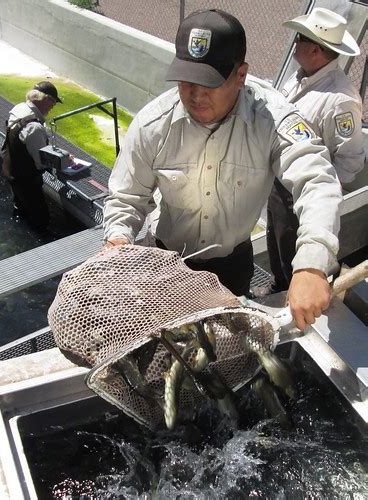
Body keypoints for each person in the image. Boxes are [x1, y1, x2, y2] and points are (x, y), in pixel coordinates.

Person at [102, 9, 343, 331]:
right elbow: (127, 198)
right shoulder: (152, 125)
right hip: (163, 259)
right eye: (187, 81)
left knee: (224, 348)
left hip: (230, 267)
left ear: (241, 75)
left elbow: (317, 181)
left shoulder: (274, 121)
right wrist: (118, 240)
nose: (196, 94)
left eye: (210, 83)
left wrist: (312, 264)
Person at [266, 7, 365, 293]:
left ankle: (293, 298)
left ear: (316, 50)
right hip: (280, 181)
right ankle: (279, 287)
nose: (294, 42)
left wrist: (317, 193)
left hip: (304, 192)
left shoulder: (340, 100)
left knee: (299, 254)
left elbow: (350, 159)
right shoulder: (298, 78)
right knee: (277, 242)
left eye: (300, 38)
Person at [2, 81, 62, 232]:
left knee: (20, 208)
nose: (52, 108)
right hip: (26, 179)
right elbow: (41, 163)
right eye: (53, 103)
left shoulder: (19, 108)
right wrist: (63, 161)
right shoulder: (34, 127)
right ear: (47, 99)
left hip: (9, 170)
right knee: (41, 219)